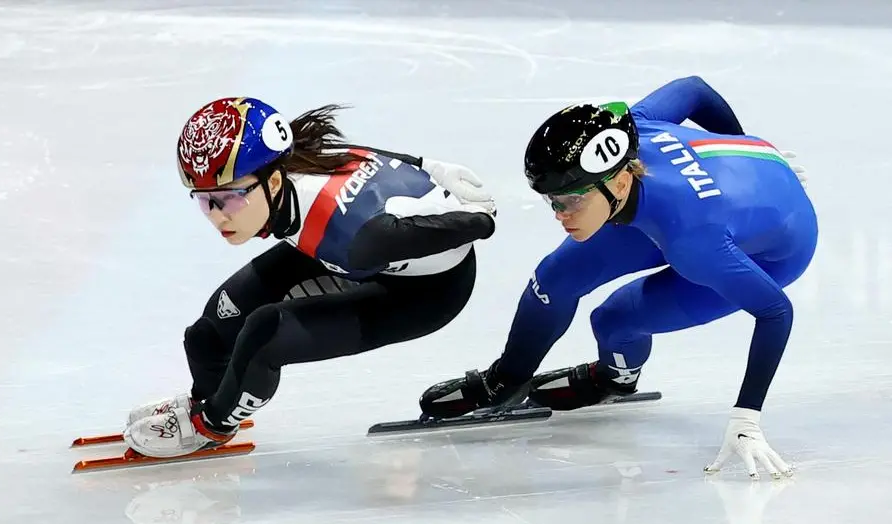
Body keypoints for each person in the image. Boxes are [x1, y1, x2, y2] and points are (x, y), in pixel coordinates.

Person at [419, 76, 817, 480]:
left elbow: (775, 313)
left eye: (571, 200)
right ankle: (506, 380)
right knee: (554, 278)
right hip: (696, 201)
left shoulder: (696, 242)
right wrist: (742, 149)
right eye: (550, 200)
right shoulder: (632, 126)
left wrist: (746, 416)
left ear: (621, 180)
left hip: (767, 250)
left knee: (615, 320)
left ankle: (615, 377)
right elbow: (694, 89)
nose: (560, 214)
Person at [122, 96, 497, 458]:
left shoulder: (359, 236)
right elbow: (381, 160)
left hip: (428, 293)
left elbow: (473, 226)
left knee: (264, 334)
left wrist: (480, 217)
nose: (218, 216)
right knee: (211, 329)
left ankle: (212, 426)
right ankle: (210, 398)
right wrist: (429, 165)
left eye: (230, 198)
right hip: (356, 248)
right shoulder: (298, 163)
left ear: (271, 183)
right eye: (205, 201)